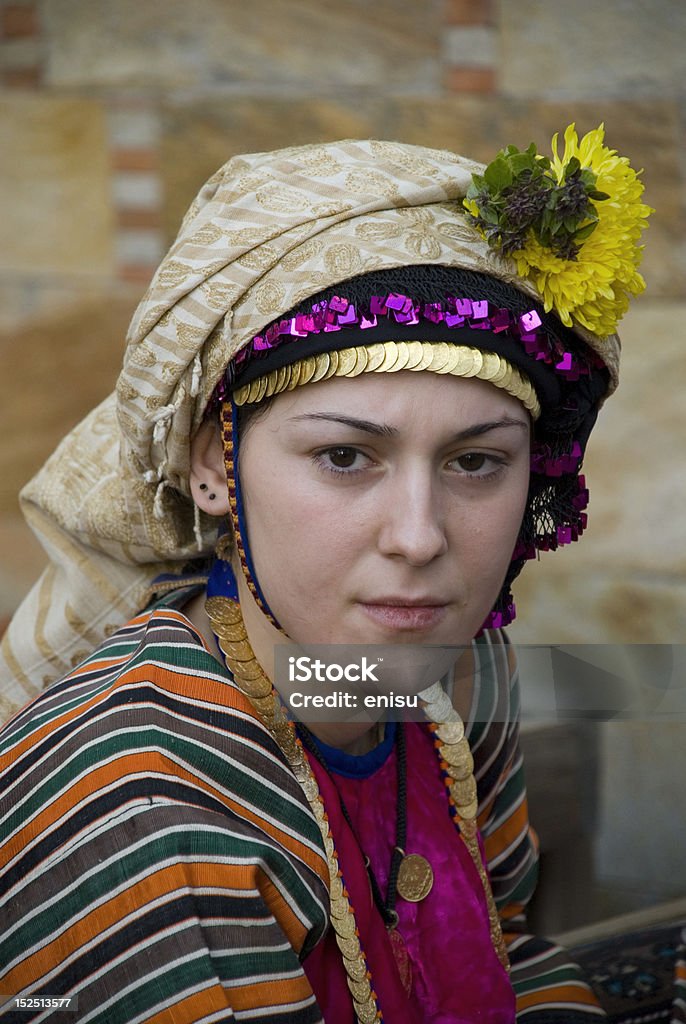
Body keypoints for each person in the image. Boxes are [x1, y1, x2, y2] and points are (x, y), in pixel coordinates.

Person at [0, 130, 675, 1024]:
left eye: (475, 463)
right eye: (345, 455)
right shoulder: (142, 811)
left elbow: (502, 942)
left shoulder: (456, 672)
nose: (419, 537)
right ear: (213, 462)